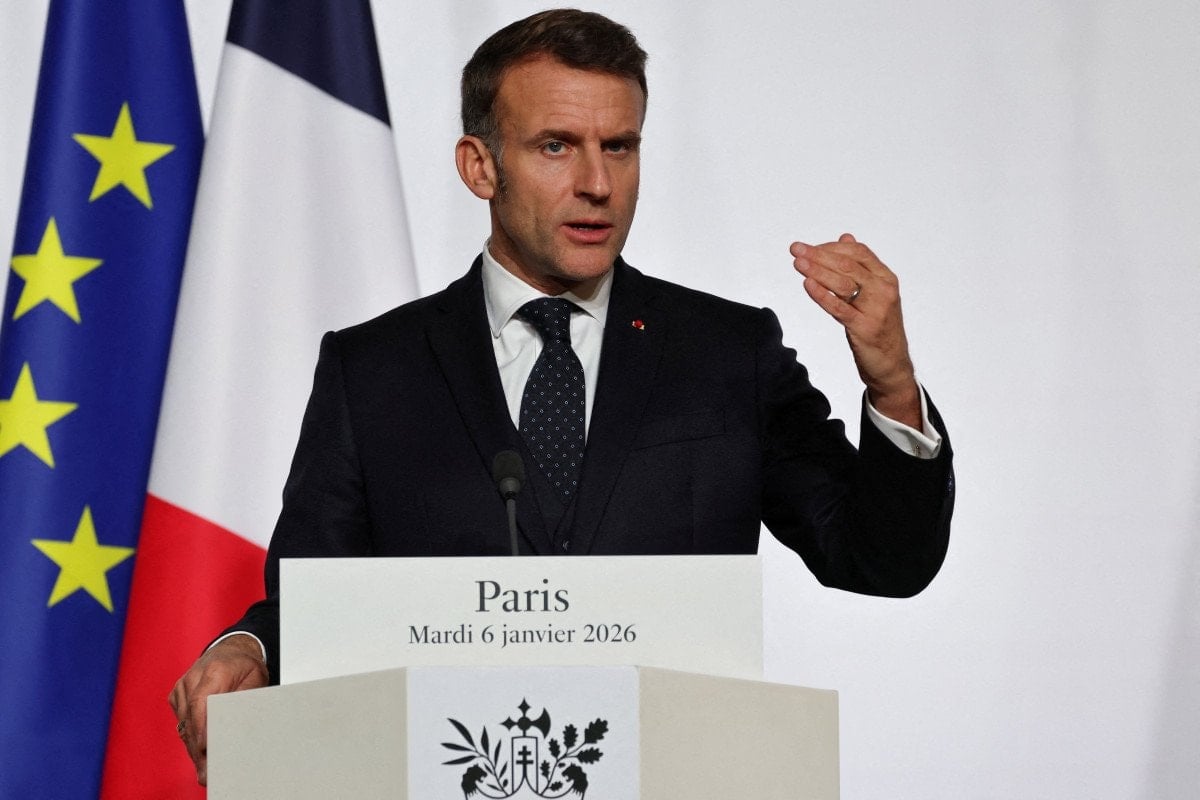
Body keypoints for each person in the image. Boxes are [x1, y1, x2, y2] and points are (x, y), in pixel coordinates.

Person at [170, 9, 954, 785]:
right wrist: (249, 649)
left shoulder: (727, 354)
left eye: (620, 147)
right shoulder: (372, 369)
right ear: (480, 167)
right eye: (556, 146)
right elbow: (313, 601)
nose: (597, 185)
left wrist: (890, 379)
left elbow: (881, 559)